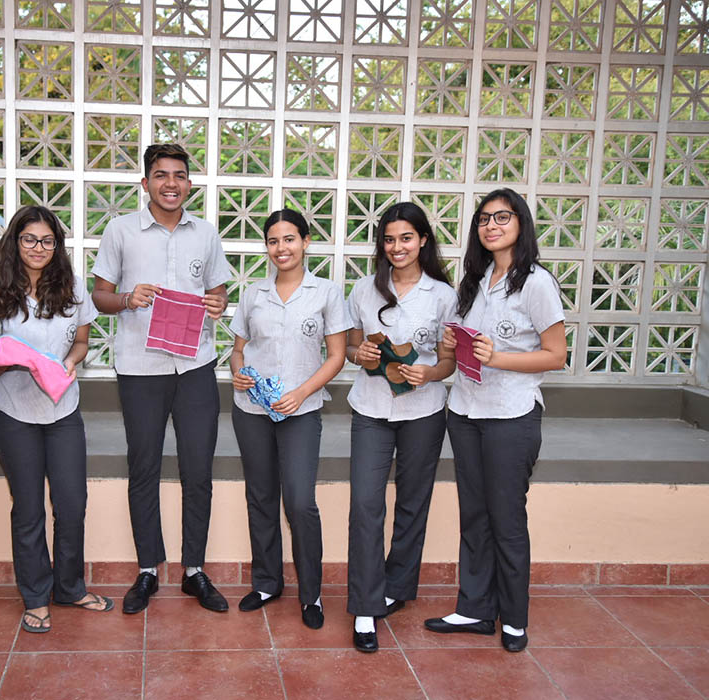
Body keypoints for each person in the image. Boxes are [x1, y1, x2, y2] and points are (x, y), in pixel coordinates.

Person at [90, 143, 232, 614]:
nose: (170, 183)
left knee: (198, 470)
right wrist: (129, 299)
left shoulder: (206, 233)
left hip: (195, 367)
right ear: (146, 183)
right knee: (144, 468)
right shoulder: (120, 231)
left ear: (190, 183)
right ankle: (147, 569)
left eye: (179, 175)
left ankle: (195, 571)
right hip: (141, 370)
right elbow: (99, 297)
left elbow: (219, 293)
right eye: (160, 175)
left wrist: (218, 304)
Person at [424, 188, 566, 652]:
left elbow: (556, 355)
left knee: (506, 520)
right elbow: (463, 349)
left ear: (521, 223)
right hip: (465, 412)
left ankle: (514, 619)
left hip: (511, 415)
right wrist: (452, 343)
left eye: (502, 217)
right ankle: (474, 608)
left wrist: (497, 357)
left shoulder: (537, 283)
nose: (491, 226)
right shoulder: (474, 280)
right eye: (484, 219)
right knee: (476, 516)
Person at [0, 205, 111, 635]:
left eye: (48, 241)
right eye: (30, 239)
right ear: (15, 243)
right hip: (15, 414)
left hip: (64, 411)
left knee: (71, 505)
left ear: (58, 246)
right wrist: (18, 359)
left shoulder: (71, 291)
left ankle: (69, 587)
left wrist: (71, 361)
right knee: (29, 509)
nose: (39, 248)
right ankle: (36, 596)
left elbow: (84, 340)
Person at [344, 202, 457, 653]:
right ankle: (367, 608)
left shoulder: (444, 296)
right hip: (370, 409)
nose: (397, 247)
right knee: (366, 505)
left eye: (406, 238)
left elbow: (450, 360)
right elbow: (351, 344)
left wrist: (430, 373)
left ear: (423, 241)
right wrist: (360, 356)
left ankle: (396, 587)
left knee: (413, 503)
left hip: (425, 411)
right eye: (389, 240)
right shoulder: (362, 291)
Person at [228, 209, 349, 629]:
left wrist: (301, 392)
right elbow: (239, 349)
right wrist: (237, 372)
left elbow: (337, 356)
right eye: (274, 241)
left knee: (299, 501)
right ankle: (266, 582)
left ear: (306, 242)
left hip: (302, 410)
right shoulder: (252, 293)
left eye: (290, 239)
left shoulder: (327, 293)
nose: (282, 248)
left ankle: (311, 594)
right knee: (260, 496)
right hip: (252, 410)